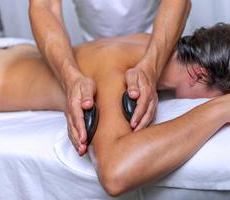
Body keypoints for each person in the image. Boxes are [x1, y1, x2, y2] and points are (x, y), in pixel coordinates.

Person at [0, 23, 230, 196]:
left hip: (12, 56)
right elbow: (115, 173)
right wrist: (222, 108)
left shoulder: (159, 47)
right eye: (217, 92)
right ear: (200, 74)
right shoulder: (118, 74)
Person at [29, 0, 191, 156]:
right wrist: (70, 78)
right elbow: (44, 5)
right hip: (94, 55)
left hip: (152, 46)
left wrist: (152, 67)